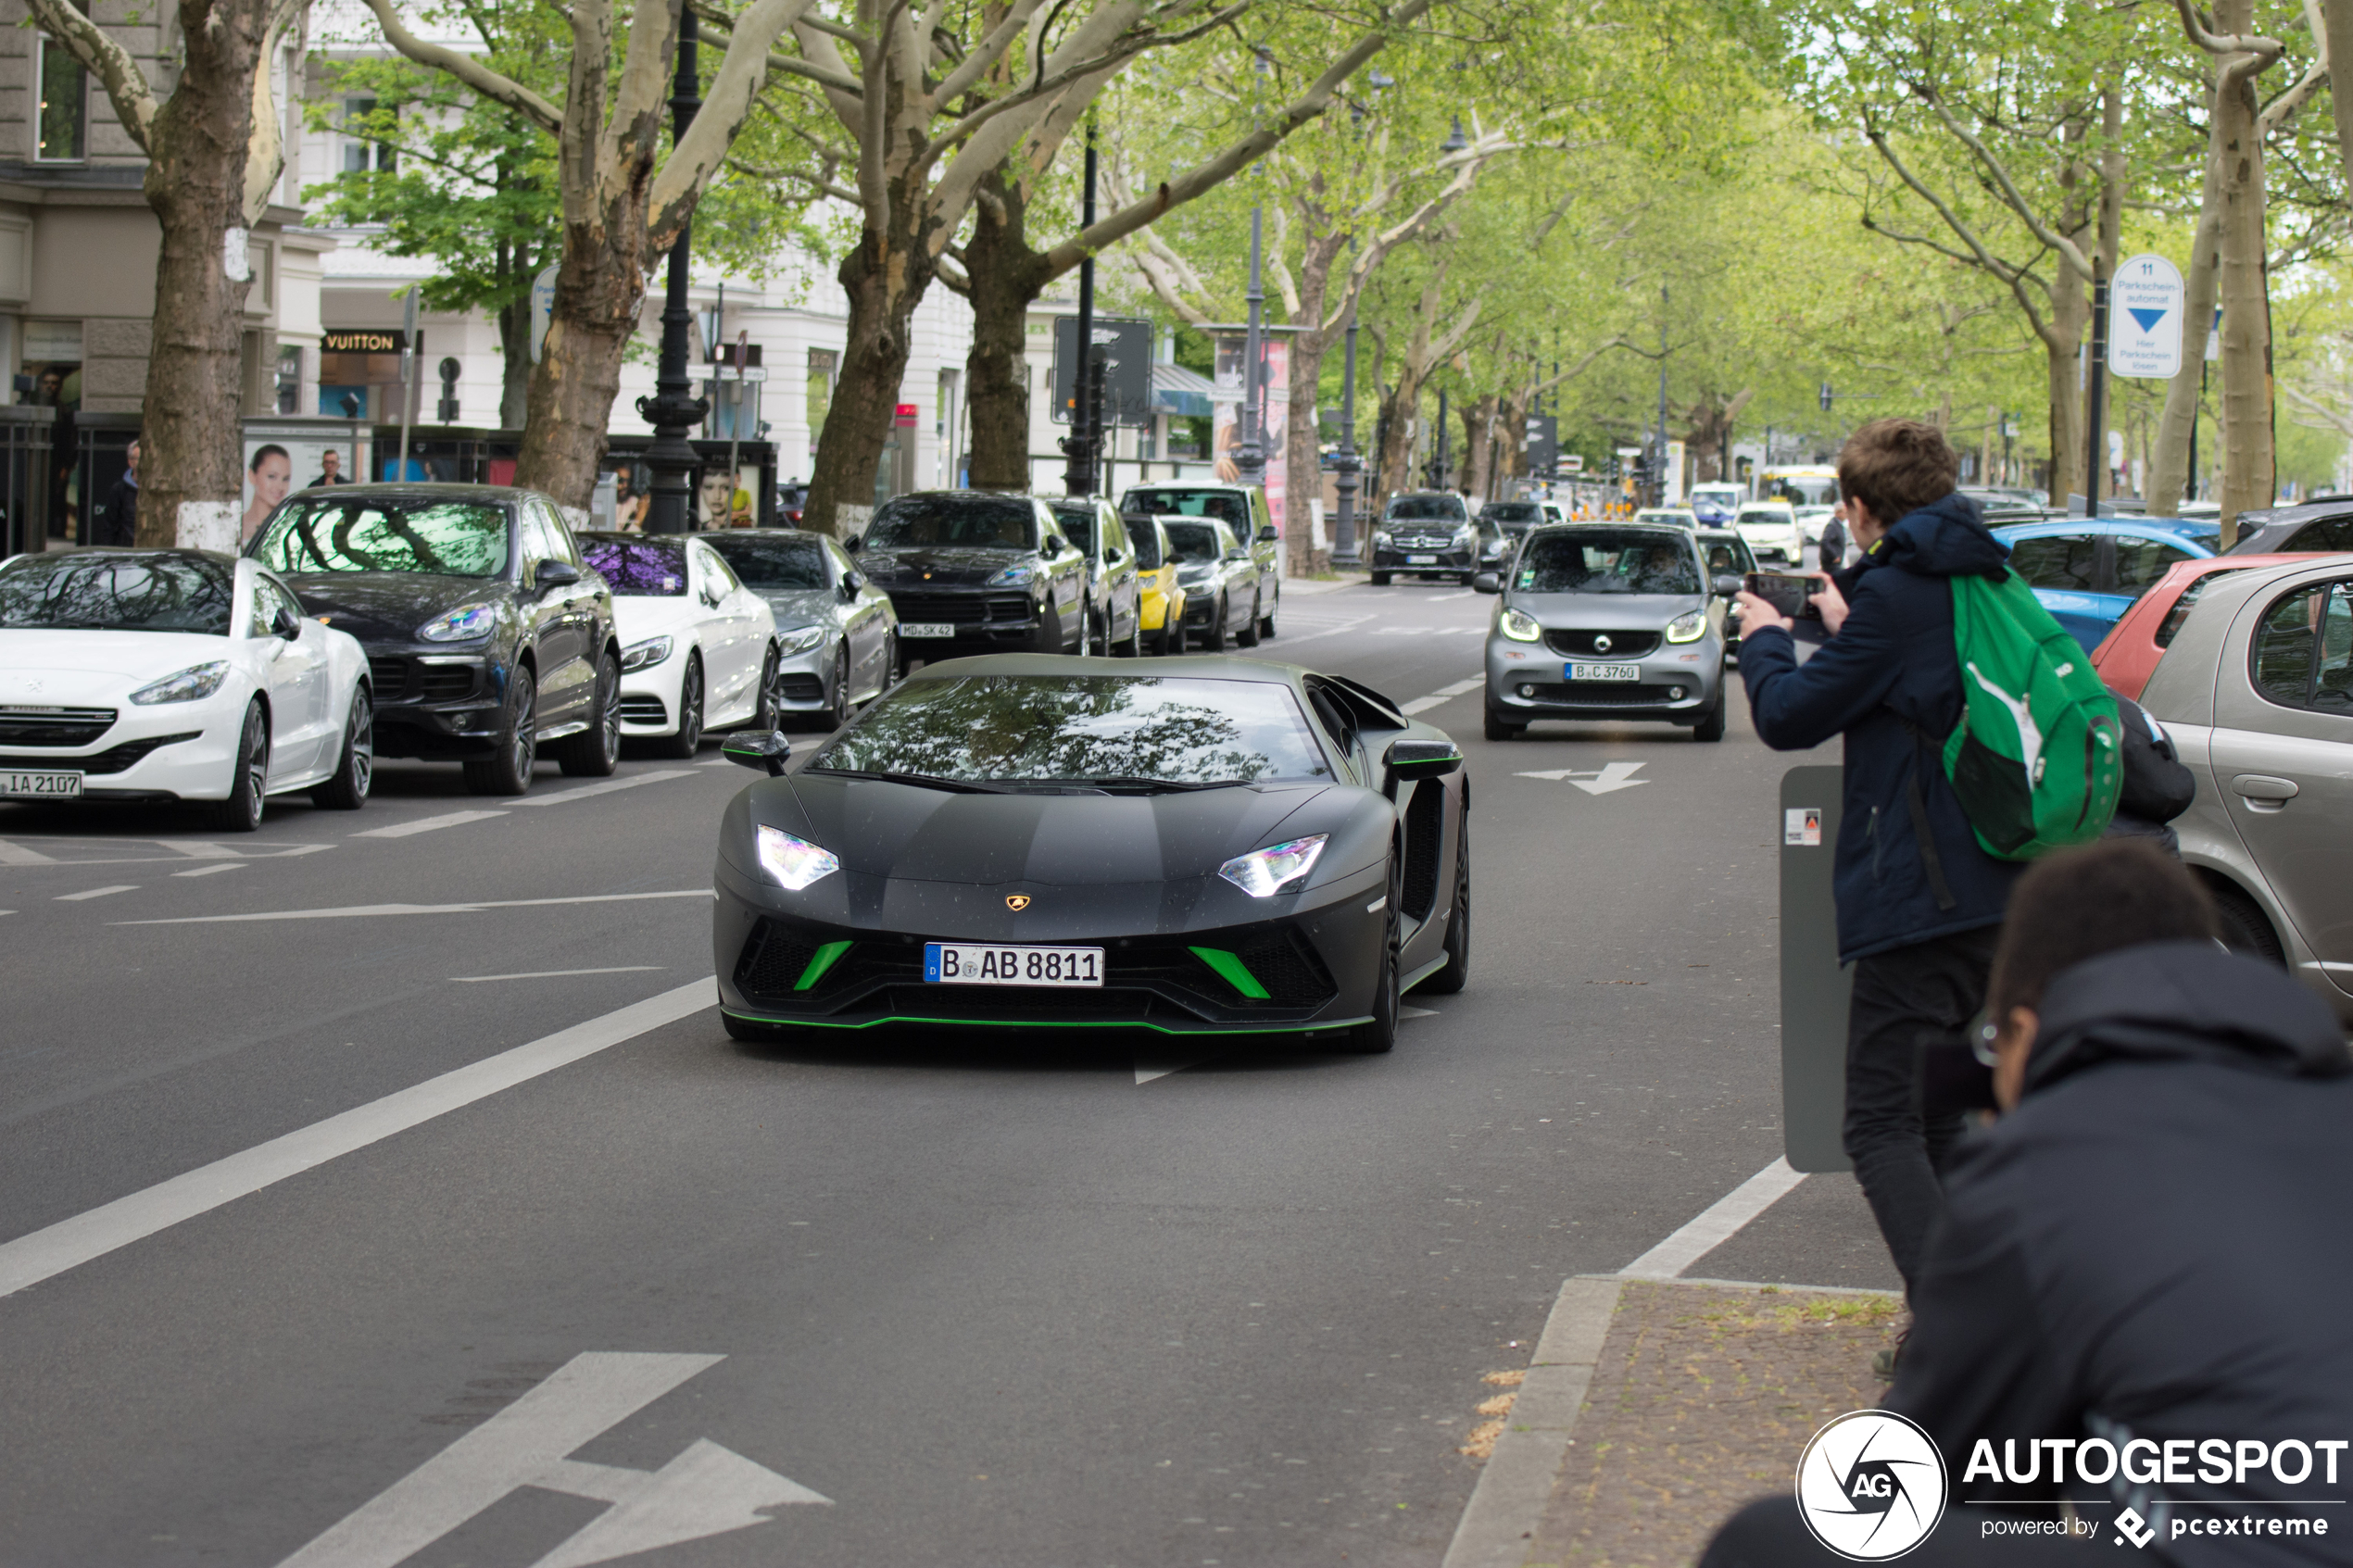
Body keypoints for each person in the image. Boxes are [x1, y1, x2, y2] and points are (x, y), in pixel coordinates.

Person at [1701, 841, 2353, 1566]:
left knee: (1764, 1544)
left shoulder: (2050, 1165)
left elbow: (1927, 1481)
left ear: (2026, 1032)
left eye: (1991, 1047)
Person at [1734, 419, 2021, 1290]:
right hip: (2000, 886)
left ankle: (1961, 1326)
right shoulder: (1982, 575)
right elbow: (1915, 678)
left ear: (1860, 510)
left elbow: (1787, 716)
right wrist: (1844, 622)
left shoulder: (1897, 600)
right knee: (1940, 1118)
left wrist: (1763, 635)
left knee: (1879, 1124)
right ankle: (1995, 1297)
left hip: (1923, 901)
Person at [242, 445, 292, 544]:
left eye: (285, 479)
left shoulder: (289, 526)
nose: (280, 487)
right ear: (252, 476)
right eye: (272, 476)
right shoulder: (237, 525)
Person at [94, 439, 137, 546]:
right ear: (130, 462)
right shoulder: (119, 490)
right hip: (126, 552)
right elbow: (110, 527)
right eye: (139, 458)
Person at [1816, 503, 1848, 572]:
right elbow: (1824, 542)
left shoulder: (1838, 525)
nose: (1847, 515)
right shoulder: (1832, 526)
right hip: (1831, 564)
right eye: (1845, 512)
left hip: (1836, 563)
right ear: (1838, 513)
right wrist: (1834, 555)